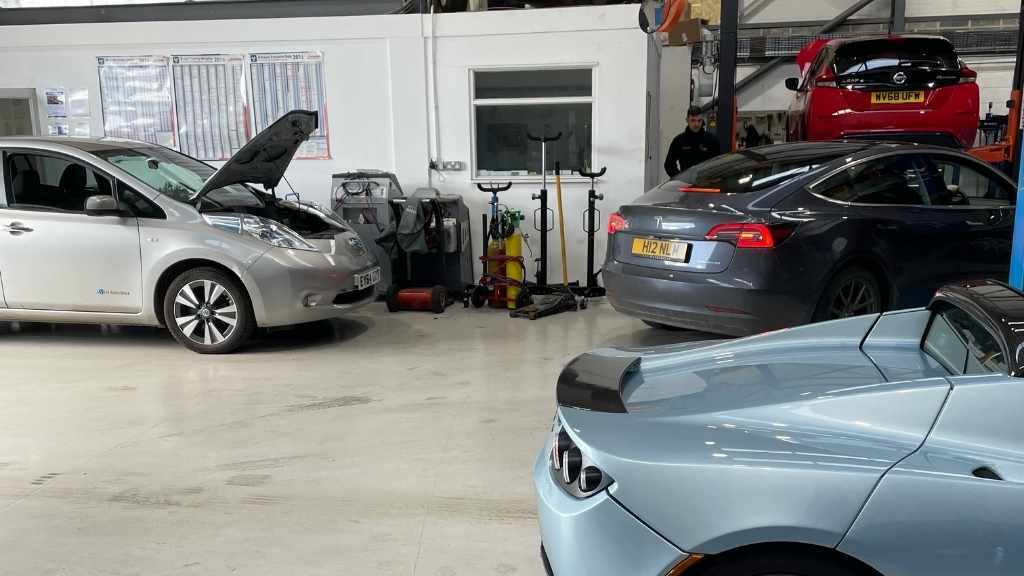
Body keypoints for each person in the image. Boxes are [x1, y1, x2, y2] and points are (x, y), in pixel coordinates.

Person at [664, 105, 722, 179]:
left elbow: (719, 164)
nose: (696, 124)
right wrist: (680, 178)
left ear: (702, 120)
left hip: (706, 184)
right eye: (693, 120)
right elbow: (669, 164)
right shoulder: (679, 141)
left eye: (699, 120)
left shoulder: (712, 140)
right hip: (686, 185)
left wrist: (711, 179)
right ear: (687, 120)